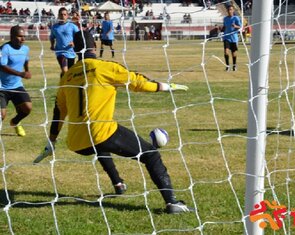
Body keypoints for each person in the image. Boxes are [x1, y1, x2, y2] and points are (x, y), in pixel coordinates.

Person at [34, 31, 194, 214]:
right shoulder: (104, 67)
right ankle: (172, 202)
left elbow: (59, 111)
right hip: (100, 132)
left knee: (100, 144)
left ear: (74, 49)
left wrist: (52, 140)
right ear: (94, 45)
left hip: (76, 142)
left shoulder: (67, 76)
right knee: (150, 154)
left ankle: (118, 183)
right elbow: (137, 82)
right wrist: (166, 86)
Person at [0, 25, 32, 137]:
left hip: (16, 86)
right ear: (12, 36)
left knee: (27, 108)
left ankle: (15, 122)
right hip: (2, 87)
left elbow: (26, 60)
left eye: (24, 36)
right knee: (1, 116)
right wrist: (21, 74)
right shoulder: (5, 48)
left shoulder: (25, 48)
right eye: (20, 36)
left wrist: (27, 70)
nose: (23, 39)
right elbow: (2, 66)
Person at [50, 7, 79, 77]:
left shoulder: (72, 26)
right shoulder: (54, 27)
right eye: (61, 14)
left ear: (67, 16)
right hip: (60, 52)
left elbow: (79, 37)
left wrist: (74, 43)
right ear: (58, 15)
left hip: (70, 52)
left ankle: (63, 84)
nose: (63, 16)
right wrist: (52, 45)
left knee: (69, 72)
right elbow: (52, 37)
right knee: (65, 70)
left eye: (64, 14)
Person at [222, 5, 241, 72]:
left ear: (233, 10)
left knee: (233, 53)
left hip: (234, 38)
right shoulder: (225, 19)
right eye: (228, 9)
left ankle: (234, 65)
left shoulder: (236, 18)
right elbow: (224, 27)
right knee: (226, 52)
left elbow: (240, 27)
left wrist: (235, 26)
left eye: (231, 9)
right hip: (226, 37)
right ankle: (227, 66)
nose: (229, 11)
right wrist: (221, 29)